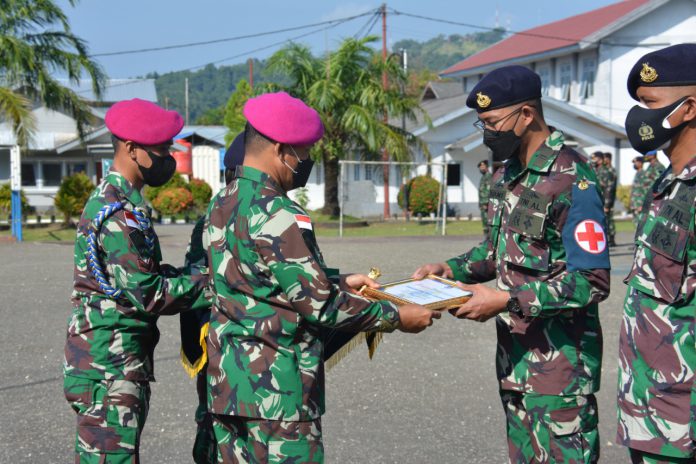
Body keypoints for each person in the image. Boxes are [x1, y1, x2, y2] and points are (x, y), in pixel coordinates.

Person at [204, 92, 439, 463]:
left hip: (229, 385)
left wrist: (339, 279)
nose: (308, 161)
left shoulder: (223, 201)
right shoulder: (278, 211)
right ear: (282, 150)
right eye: (306, 152)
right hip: (278, 393)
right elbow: (319, 303)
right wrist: (397, 316)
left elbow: (257, 274)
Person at [412, 65, 610, 463]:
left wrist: (504, 299)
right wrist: (448, 269)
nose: (486, 132)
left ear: (526, 115)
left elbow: (592, 280)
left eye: (491, 122)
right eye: (481, 122)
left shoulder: (573, 177)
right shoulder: (509, 175)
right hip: (516, 361)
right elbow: (497, 251)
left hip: (560, 370)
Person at [63, 98, 210, 463]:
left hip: (112, 361)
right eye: (160, 150)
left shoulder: (121, 202)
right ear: (131, 149)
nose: (167, 158)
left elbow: (146, 276)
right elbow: (150, 293)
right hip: (109, 366)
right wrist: (213, 282)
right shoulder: (118, 212)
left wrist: (189, 276)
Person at [617, 43, 696, 464]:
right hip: (650, 411)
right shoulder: (668, 184)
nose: (638, 116)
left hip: (685, 421)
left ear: (689, 108)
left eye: (649, 103)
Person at [179, 131, 246, 464]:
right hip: (226, 343)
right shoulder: (221, 214)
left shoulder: (214, 213)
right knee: (215, 424)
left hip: (227, 343)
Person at [602, 152, 618, 247]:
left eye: (605, 158)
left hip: (609, 200)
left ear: (608, 159)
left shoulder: (611, 170)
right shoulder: (605, 170)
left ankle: (611, 239)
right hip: (605, 199)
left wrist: (607, 204)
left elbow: (610, 188)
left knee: (609, 219)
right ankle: (609, 238)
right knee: (607, 219)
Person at [629, 156, 646, 225]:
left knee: (641, 224)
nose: (634, 164)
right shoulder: (637, 173)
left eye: (636, 162)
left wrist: (642, 204)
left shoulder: (643, 174)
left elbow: (645, 189)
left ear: (641, 163)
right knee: (636, 223)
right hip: (635, 204)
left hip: (639, 204)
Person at [478, 159, 492, 236]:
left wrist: (486, 203)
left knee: (487, 221)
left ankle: (488, 239)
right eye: (480, 167)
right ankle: (486, 239)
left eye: (483, 166)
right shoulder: (483, 177)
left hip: (486, 203)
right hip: (483, 203)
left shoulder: (488, 176)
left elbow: (488, 190)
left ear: (487, 167)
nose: (481, 168)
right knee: (484, 222)